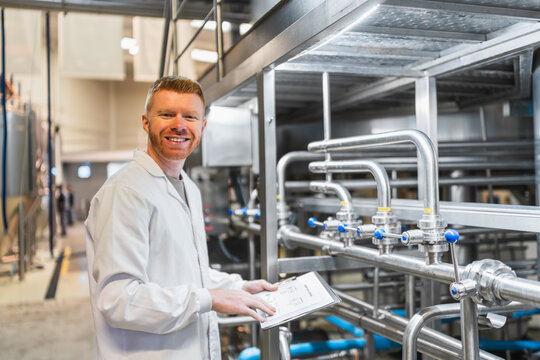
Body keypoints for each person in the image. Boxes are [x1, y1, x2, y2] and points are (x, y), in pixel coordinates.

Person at [85, 75, 277, 359]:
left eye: (190, 116)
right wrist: (209, 299)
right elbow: (119, 300)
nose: (179, 124)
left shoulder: (188, 187)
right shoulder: (125, 192)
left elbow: (184, 270)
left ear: (203, 126)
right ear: (146, 121)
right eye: (167, 114)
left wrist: (236, 287)